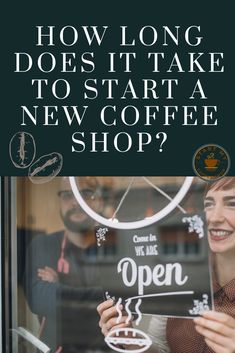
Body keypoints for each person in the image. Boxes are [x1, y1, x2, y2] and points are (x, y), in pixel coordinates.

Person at [97, 177, 235, 353]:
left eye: (232, 204)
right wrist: (131, 340)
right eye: (209, 204)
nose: (214, 217)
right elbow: (163, 347)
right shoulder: (181, 275)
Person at [24, 177, 105, 353]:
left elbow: (121, 299)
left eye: (86, 193)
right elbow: (39, 300)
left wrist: (59, 287)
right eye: (68, 194)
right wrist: (97, 296)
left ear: (99, 200)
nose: (76, 201)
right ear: (59, 200)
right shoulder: (44, 244)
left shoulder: (112, 246)